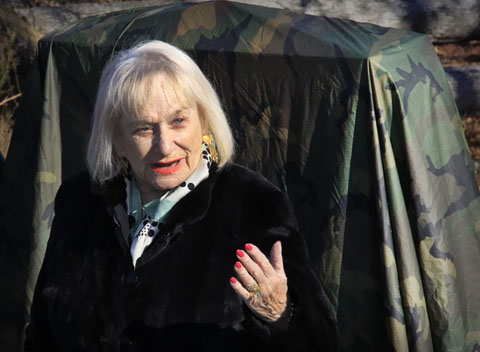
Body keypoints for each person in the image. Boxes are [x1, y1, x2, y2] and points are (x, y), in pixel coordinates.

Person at [25, 40, 337, 351]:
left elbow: (320, 341)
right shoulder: (81, 200)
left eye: (178, 121)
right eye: (144, 129)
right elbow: (42, 332)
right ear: (116, 138)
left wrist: (280, 314)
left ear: (204, 120)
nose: (165, 146)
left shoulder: (254, 205)